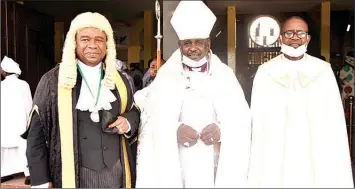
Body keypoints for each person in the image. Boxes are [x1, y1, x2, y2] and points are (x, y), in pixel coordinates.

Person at [135, 1, 251, 188]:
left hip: (213, 159)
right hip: (176, 160)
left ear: (208, 43)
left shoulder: (225, 75)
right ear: (180, 45)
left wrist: (221, 130)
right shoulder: (166, 76)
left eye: (199, 42)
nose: (193, 48)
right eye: (187, 43)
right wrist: (174, 130)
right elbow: (150, 117)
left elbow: (242, 119)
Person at [22, 12, 140, 188]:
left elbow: (135, 110)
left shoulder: (121, 80)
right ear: (74, 43)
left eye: (99, 39)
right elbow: (36, 136)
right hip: (74, 176)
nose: (93, 45)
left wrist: (129, 122)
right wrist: (40, 179)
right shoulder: (52, 81)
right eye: (85, 39)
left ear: (107, 45)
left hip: (117, 174)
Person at [248, 16, 354, 188]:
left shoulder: (323, 70)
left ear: (308, 38)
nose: (295, 37)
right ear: (281, 38)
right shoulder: (266, 71)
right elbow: (257, 118)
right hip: (276, 147)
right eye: (289, 33)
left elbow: (334, 116)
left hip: (315, 146)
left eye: (301, 33)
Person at [1, 56, 31, 184]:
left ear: (5, 71)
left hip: (5, 122)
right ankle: (28, 174)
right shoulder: (23, 84)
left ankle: (4, 173)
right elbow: (30, 104)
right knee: (23, 147)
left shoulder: (1, 85)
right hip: (20, 121)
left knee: (5, 149)